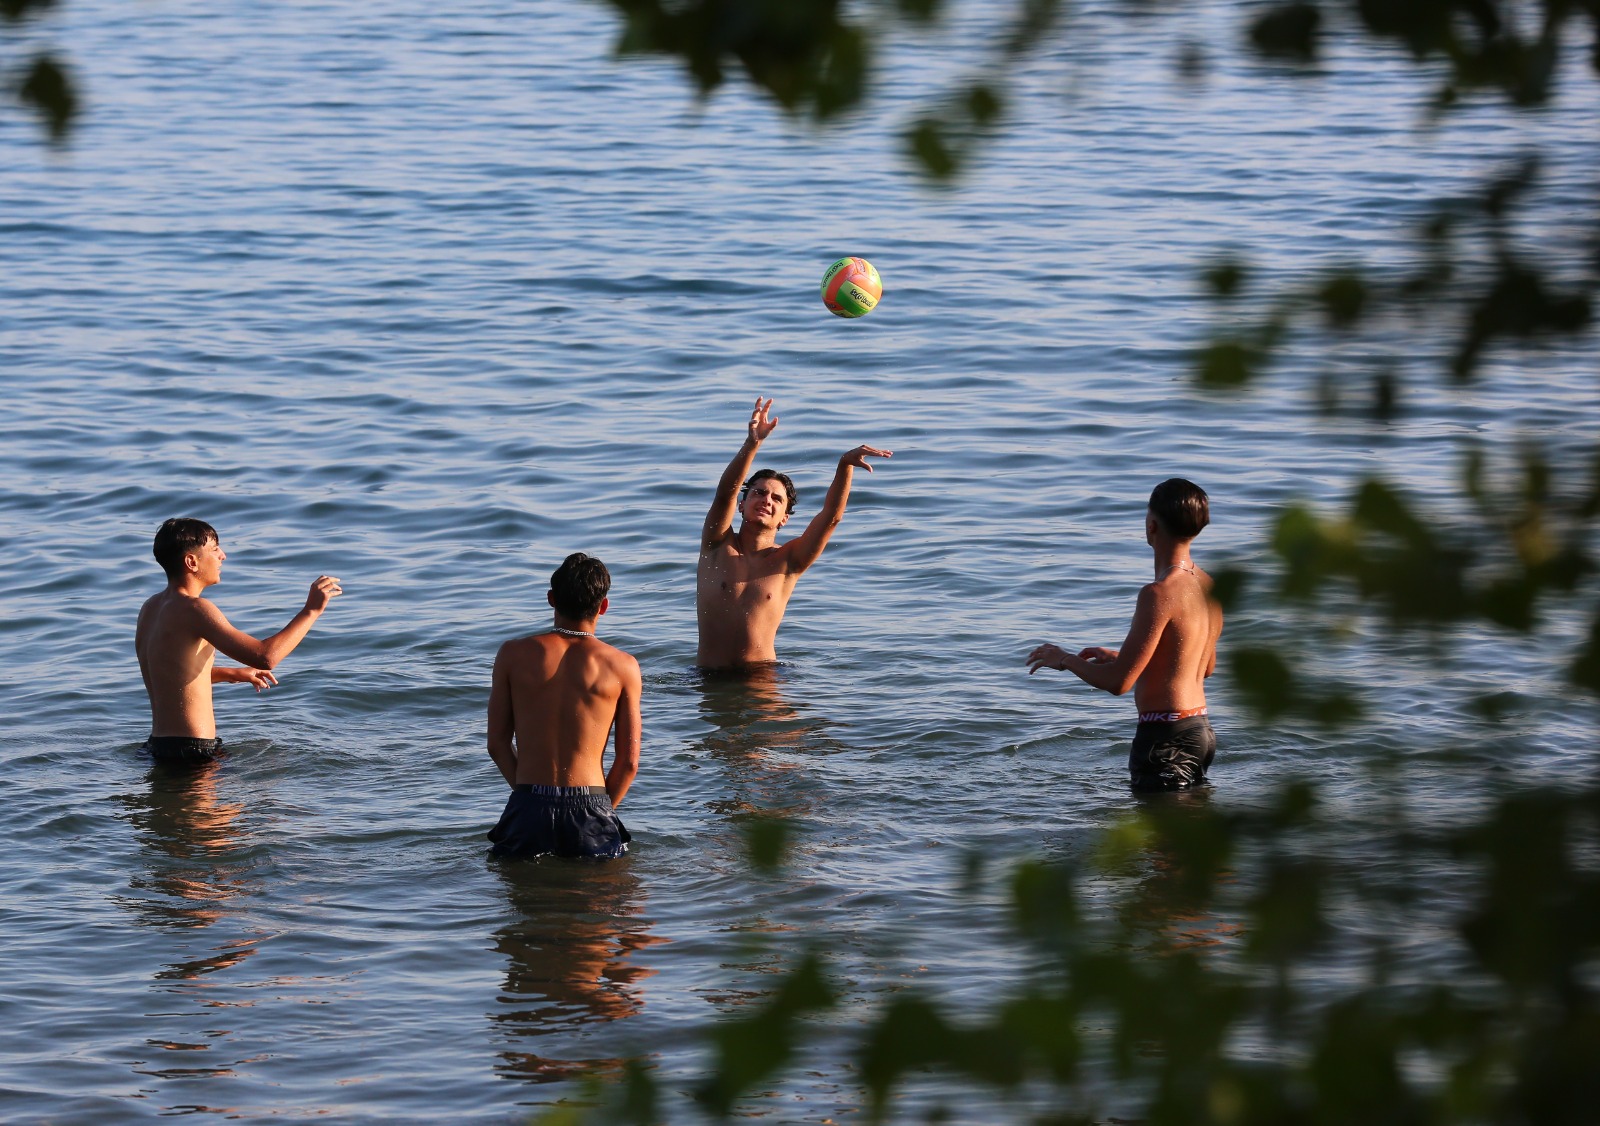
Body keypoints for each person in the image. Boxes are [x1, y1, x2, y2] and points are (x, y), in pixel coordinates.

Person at [1026, 479, 1224, 790]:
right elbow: (1203, 667)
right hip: (1200, 733)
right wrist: (1124, 658)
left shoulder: (1159, 593)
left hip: (1165, 740)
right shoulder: (1208, 585)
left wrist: (1064, 659)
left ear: (1152, 524)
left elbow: (1119, 683)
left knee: (1157, 837)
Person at [697, 397, 892, 669]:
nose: (767, 500)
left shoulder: (789, 560)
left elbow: (831, 519)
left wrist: (844, 466)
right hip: (707, 676)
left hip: (762, 678)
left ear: (784, 519)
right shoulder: (716, 546)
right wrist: (752, 445)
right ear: (742, 505)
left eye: (777, 499)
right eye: (759, 493)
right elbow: (723, 495)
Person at [135, 518, 343, 765]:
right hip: (193, 751)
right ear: (191, 562)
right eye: (215, 549)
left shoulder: (151, 607)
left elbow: (170, 674)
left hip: (158, 746)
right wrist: (311, 611)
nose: (222, 556)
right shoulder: (196, 609)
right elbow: (266, 657)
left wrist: (233, 673)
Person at [486, 552, 640, 860]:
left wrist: (528, 796)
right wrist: (600, 808)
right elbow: (628, 763)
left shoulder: (512, 655)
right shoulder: (623, 666)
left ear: (551, 599)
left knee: (526, 902)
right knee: (601, 901)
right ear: (604, 606)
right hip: (591, 803)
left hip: (528, 803)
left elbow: (497, 744)